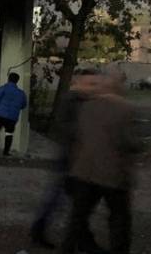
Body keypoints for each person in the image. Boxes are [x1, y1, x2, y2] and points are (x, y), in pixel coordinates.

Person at [61, 69, 143, 254]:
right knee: (119, 219)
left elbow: (78, 135)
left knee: (78, 218)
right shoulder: (126, 108)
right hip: (113, 174)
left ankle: (66, 250)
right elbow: (129, 142)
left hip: (85, 171)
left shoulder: (88, 106)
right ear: (119, 86)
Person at [30, 68, 104, 250]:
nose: (93, 88)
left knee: (73, 202)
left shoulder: (88, 101)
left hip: (80, 159)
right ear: (79, 83)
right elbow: (63, 127)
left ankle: (43, 230)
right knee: (67, 201)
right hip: (70, 158)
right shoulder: (71, 100)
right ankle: (44, 230)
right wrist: (84, 134)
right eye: (90, 84)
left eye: (95, 84)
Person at [0, 72, 28, 156]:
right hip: (12, 117)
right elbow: (23, 105)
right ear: (17, 81)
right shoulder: (21, 93)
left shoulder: (3, 88)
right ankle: (6, 152)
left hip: (0, 115)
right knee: (9, 134)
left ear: (8, 79)